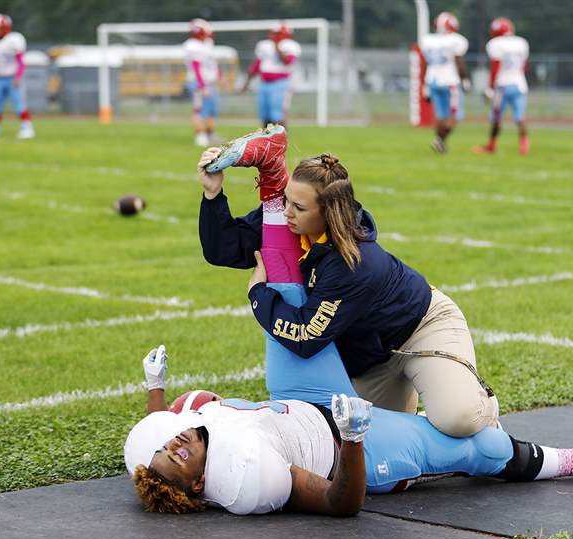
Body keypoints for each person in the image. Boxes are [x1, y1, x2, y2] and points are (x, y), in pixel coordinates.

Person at [197, 125, 499, 439]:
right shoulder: (294, 218)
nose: (285, 213)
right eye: (285, 201)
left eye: (298, 207)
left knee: (458, 419)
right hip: (372, 358)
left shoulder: (353, 263)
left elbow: (304, 337)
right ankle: (422, 412)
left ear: (328, 213)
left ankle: (485, 409)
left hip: (422, 329)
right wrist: (212, 193)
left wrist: (259, 294)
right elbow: (223, 250)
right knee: (362, 441)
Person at [124, 345, 573, 516]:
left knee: (286, 305)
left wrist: (156, 385)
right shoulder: (248, 476)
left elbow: (158, 427)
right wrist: (355, 436)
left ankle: (275, 190)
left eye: (170, 446)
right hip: (350, 442)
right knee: (484, 447)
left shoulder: (185, 424)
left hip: (301, 401)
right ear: (200, 483)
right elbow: (341, 503)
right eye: (179, 457)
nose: (174, 444)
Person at [473, 17, 531, 156]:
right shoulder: (521, 42)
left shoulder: (495, 44)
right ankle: (524, 145)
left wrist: (490, 87)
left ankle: (491, 145)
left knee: (496, 118)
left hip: (502, 85)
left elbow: (496, 66)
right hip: (519, 84)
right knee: (520, 117)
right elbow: (525, 66)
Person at [419, 12, 470, 154]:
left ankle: (440, 144)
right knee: (455, 116)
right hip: (450, 81)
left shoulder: (427, 40)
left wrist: (424, 84)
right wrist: (465, 79)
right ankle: (439, 140)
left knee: (441, 116)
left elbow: (424, 64)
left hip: (432, 80)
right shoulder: (456, 40)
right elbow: (458, 62)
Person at [241, 23, 302, 128]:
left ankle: (281, 140)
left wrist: (277, 46)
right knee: (265, 114)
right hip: (264, 83)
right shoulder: (264, 45)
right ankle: (266, 140)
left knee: (278, 114)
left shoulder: (291, 45)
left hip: (281, 83)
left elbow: (287, 61)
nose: (276, 36)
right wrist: (247, 83)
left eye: (278, 34)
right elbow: (256, 65)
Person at [183, 19, 221, 147]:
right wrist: (202, 85)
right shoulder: (192, 45)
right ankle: (200, 135)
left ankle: (210, 134)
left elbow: (212, 62)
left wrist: (219, 75)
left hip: (208, 81)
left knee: (210, 110)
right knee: (199, 110)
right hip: (199, 82)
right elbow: (196, 66)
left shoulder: (207, 43)